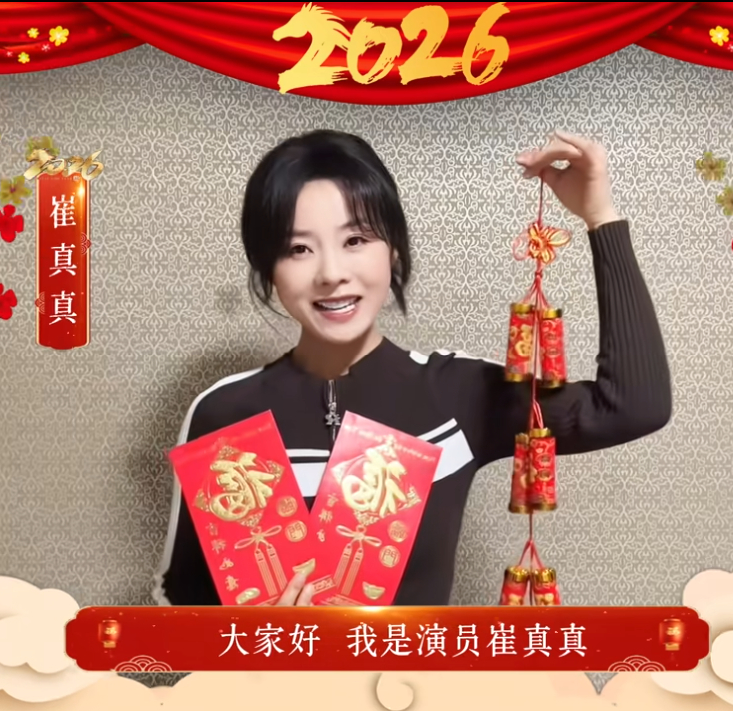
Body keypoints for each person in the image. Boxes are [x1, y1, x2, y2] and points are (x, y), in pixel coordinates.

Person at [153, 129, 671, 607]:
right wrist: (258, 647)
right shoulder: (225, 412)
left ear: (394, 250)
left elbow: (632, 406)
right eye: (298, 248)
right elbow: (178, 604)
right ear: (269, 269)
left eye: (355, 240)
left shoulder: (457, 395)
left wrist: (601, 217)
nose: (331, 273)